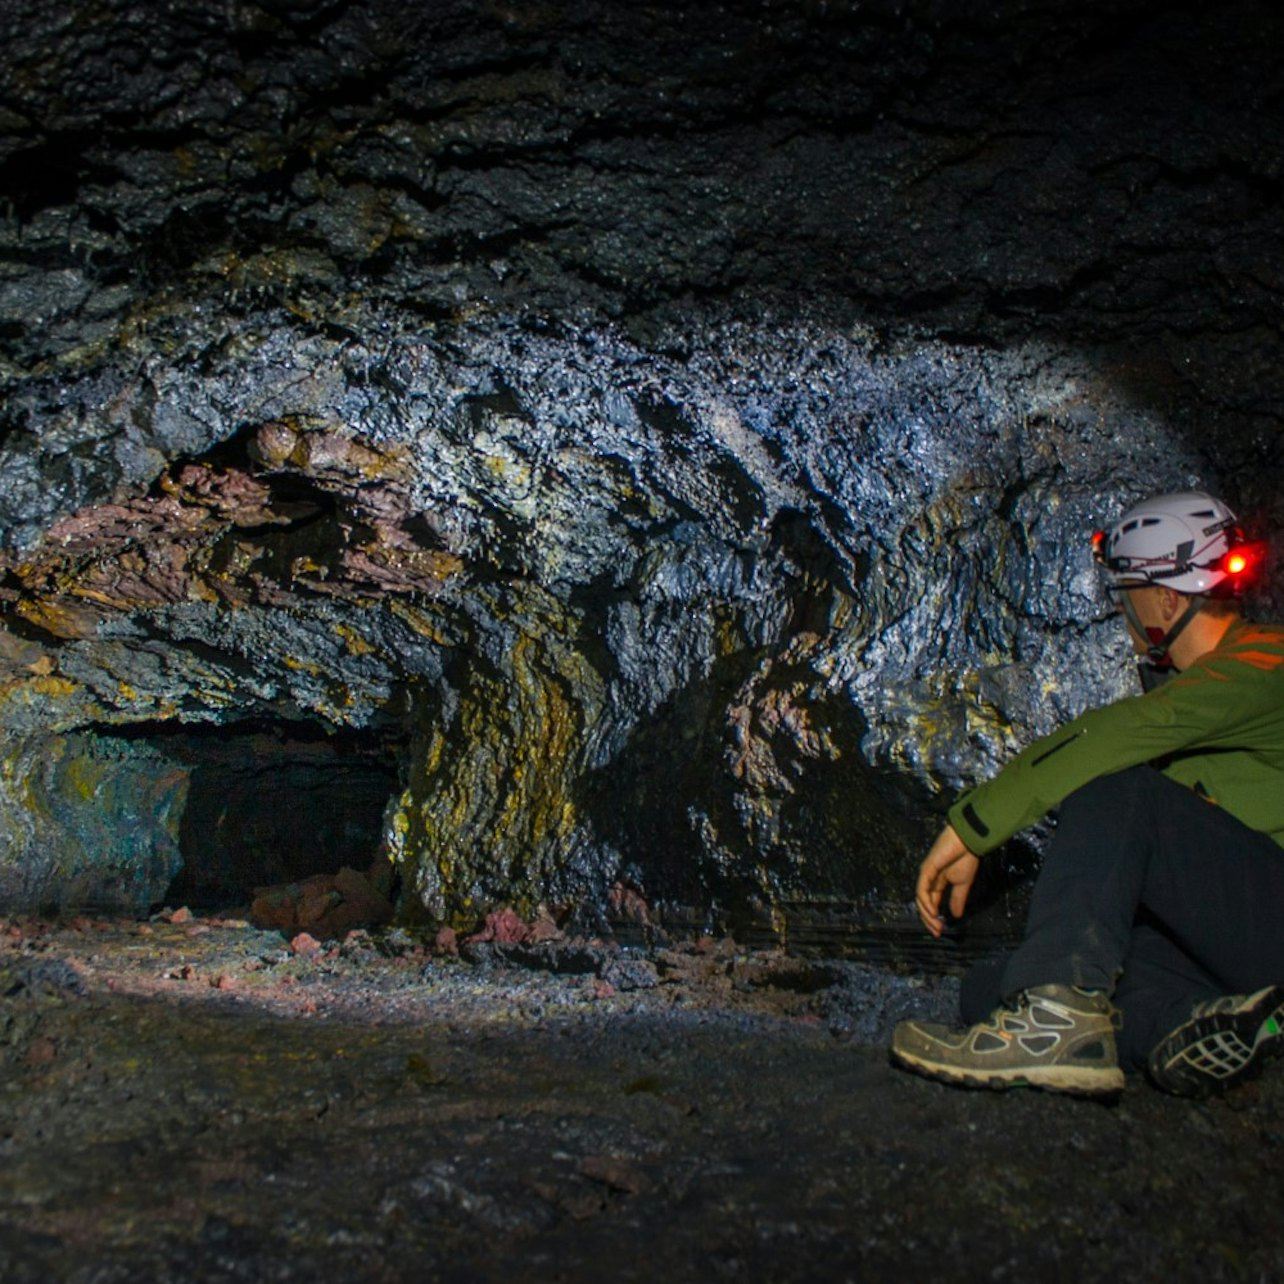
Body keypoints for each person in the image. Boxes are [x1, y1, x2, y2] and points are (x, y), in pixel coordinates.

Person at [889, 490, 1284, 1098]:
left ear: (1165, 599)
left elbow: (1117, 735)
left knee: (1118, 786)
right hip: (1246, 942)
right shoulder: (1204, 692)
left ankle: (1058, 1018)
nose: (1123, 615)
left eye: (1126, 595)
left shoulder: (1265, 660)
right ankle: (1179, 1028)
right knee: (990, 986)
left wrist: (974, 824)